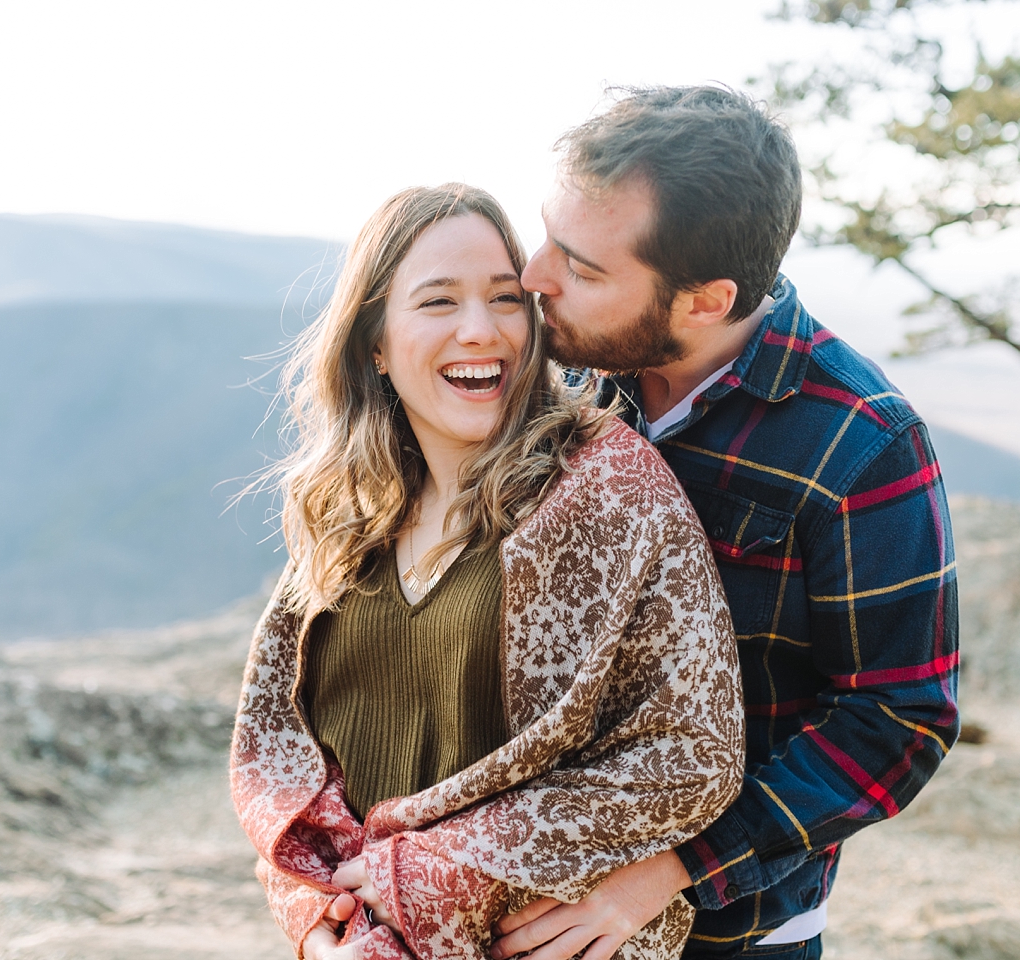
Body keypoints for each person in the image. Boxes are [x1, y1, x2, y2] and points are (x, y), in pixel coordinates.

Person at [490, 86, 960, 960]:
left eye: (583, 267)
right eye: (547, 233)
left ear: (705, 301)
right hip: (521, 900)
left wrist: (672, 869)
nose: (532, 278)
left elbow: (900, 720)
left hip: (730, 933)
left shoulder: (860, 443)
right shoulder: (568, 377)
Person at [229, 183, 746, 960]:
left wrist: (435, 871)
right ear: (374, 340)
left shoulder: (603, 486)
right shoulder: (347, 517)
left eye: (506, 300)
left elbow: (692, 755)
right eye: (438, 302)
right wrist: (315, 920)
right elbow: (277, 755)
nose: (481, 331)